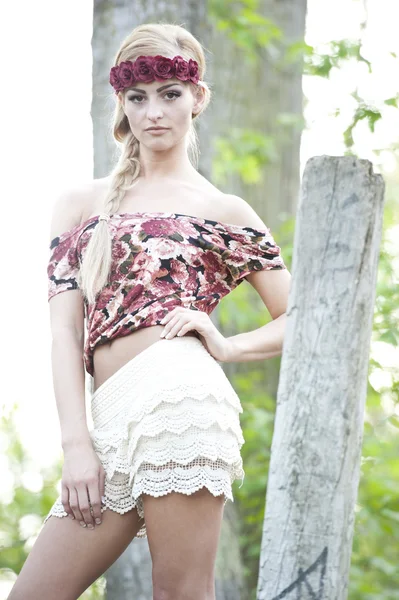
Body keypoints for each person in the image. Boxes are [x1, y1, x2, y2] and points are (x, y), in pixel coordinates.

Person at [8, 22, 291, 600]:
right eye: (138, 97)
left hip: (180, 404)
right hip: (108, 420)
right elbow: (64, 335)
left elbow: (306, 319)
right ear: (121, 103)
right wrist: (76, 444)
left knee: (181, 593)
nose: (154, 111)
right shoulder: (78, 204)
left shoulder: (223, 210)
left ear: (198, 98)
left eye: (170, 94)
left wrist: (229, 345)